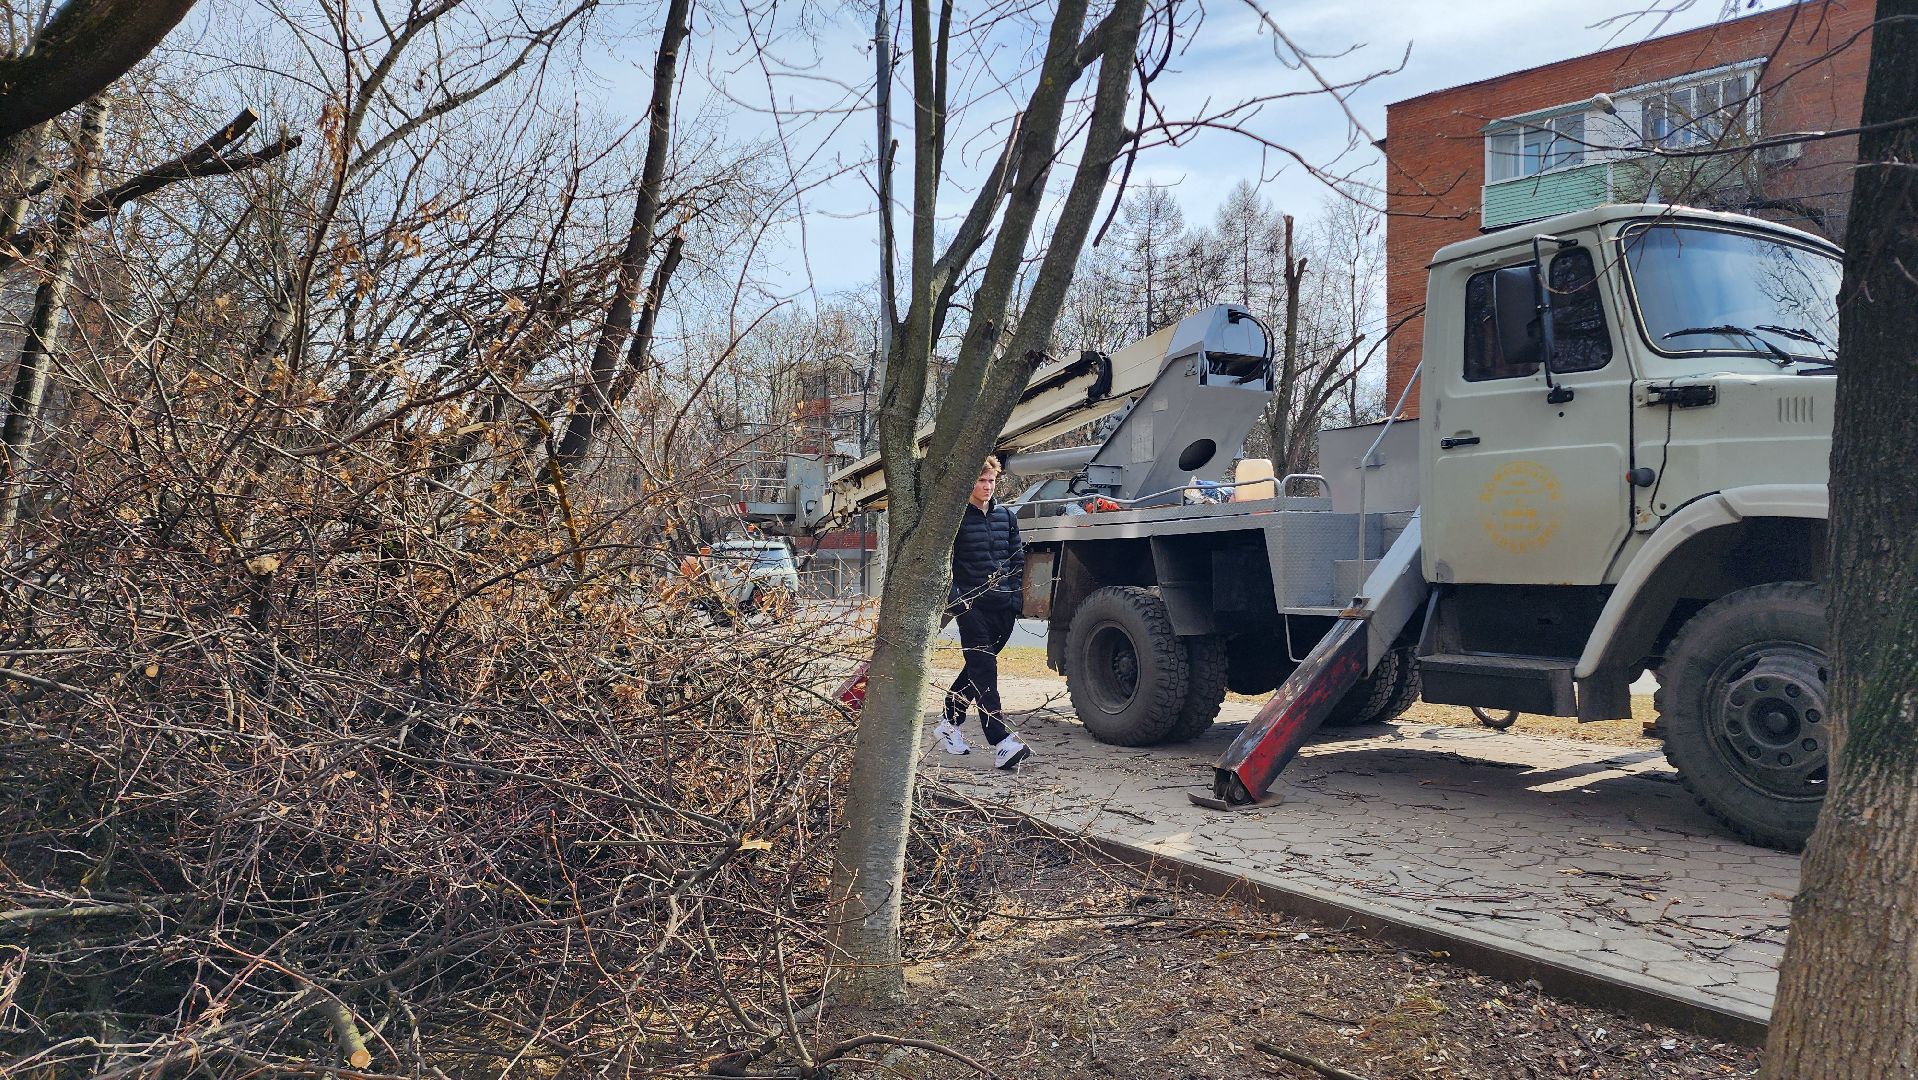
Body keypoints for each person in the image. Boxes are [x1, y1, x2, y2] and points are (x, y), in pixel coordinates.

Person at [934, 456, 1032, 769]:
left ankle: (949, 720)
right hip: (971, 607)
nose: (986, 487)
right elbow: (942, 566)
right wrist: (958, 602)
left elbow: (1018, 560)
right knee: (985, 670)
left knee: (978, 668)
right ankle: (1002, 743)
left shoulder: (1006, 516)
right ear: (969, 483)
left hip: (1003, 607)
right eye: (981, 481)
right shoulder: (954, 519)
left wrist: (1015, 598)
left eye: (990, 481)